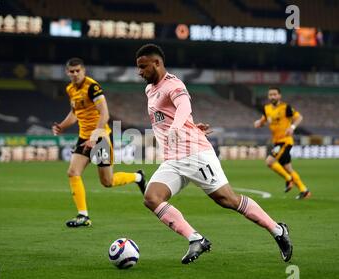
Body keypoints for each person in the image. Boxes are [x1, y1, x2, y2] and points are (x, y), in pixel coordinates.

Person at [135, 44, 292, 264]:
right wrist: (189, 126)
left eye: (143, 67)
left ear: (157, 63)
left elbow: (183, 108)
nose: (139, 72)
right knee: (151, 198)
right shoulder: (149, 90)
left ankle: (277, 230)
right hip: (173, 160)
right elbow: (170, 116)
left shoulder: (174, 84)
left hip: (195, 154)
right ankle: (195, 239)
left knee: (228, 200)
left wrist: (179, 127)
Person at [52, 57, 146, 227]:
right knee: (73, 172)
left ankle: (138, 177)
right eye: (71, 71)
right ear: (67, 72)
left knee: (107, 182)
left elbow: (105, 115)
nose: (74, 74)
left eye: (77, 71)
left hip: (100, 137)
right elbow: (75, 113)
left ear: (83, 70)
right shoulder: (70, 89)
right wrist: (62, 126)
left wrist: (94, 138)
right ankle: (83, 216)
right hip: (84, 138)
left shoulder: (92, 87)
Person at [254, 87, 311, 200]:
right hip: (277, 142)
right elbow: (263, 121)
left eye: (275, 94)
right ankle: (304, 191)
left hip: (285, 141)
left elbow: (299, 117)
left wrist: (292, 127)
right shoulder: (267, 109)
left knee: (269, 161)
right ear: (268, 96)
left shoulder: (286, 107)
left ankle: (288, 179)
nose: (272, 96)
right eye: (270, 95)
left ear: (279, 95)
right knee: (288, 168)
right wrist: (258, 123)